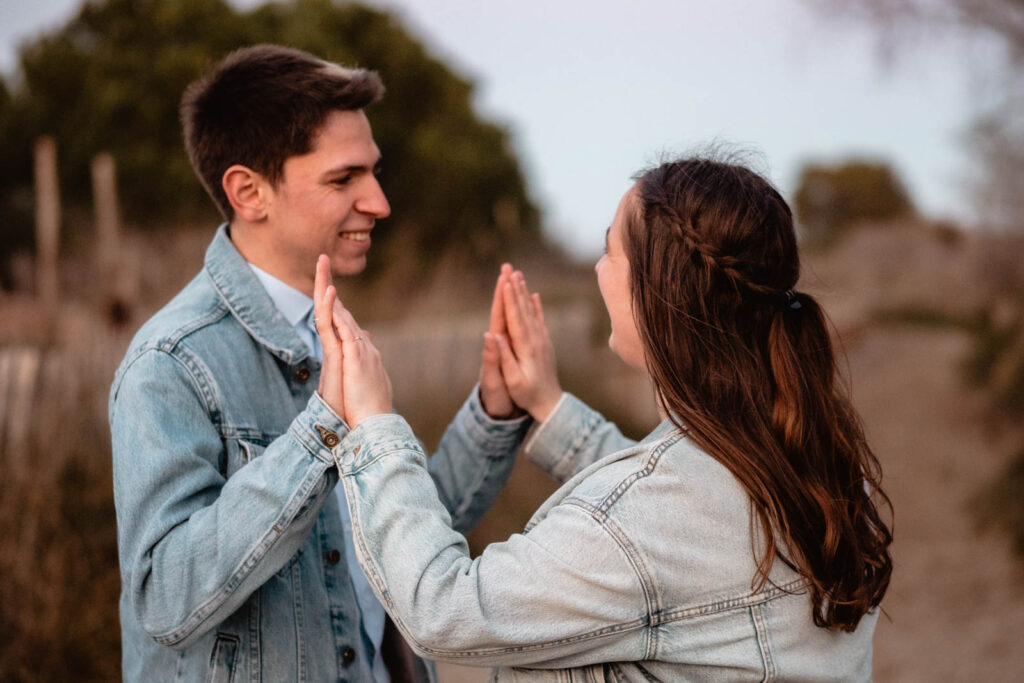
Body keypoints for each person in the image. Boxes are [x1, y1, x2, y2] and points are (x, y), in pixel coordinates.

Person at [314, 157, 894, 681]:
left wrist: (374, 425)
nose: (597, 269)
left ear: (655, 289)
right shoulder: (810, 454)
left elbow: (442, 610)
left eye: (610, 249)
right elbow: (676, 522)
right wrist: (548, 405)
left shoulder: (648, 517)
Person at [109, 44, 530, 682]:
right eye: (344, 178)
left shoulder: (328, 331)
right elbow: (164, 598)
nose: (380, 202)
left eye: (374, 172)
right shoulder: (170, 361)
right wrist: (323, 427)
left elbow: (397, 532)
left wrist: (493, 412)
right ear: (249, 192)